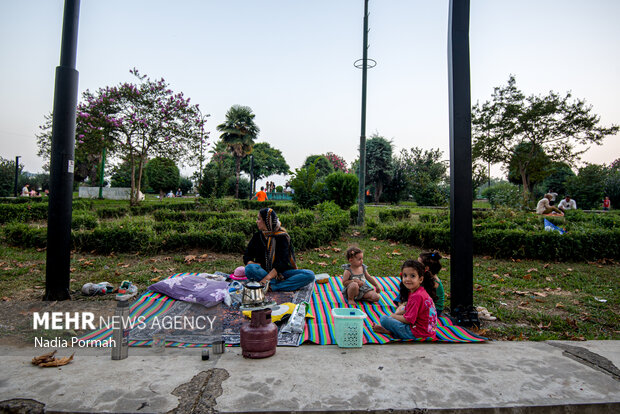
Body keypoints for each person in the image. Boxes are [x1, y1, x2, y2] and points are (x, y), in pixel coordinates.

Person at [243, 208, 315, 291]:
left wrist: (267, 279)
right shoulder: (257, 236)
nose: (256, 221)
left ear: (267, 222)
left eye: (259, 219)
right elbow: (247, 255)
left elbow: (282, 263)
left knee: (309, 275)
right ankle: (281, 285)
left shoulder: (282, 237)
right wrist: (251, 262)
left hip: (282, 273)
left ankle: (273, 287)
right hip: (262, 272)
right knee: (249, 268)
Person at [372, 259, 437, 340]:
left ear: (420, 279)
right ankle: (393, 330)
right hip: (429, 332)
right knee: (400, 310)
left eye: (412, 276)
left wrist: (394, 316)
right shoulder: (420, 291)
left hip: (418, 334)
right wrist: (399, 313)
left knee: (384, 319)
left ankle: (391, 332)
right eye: (405, 275)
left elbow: (408, 320)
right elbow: (410, 309)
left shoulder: (416, 296)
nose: (407, 279)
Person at [418, 251, 445, 316]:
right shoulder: (426, 276)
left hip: (435, 309)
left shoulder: (434, 282)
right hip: (426, 305)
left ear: (426, 268)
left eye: (418, 264)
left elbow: (422, 298)